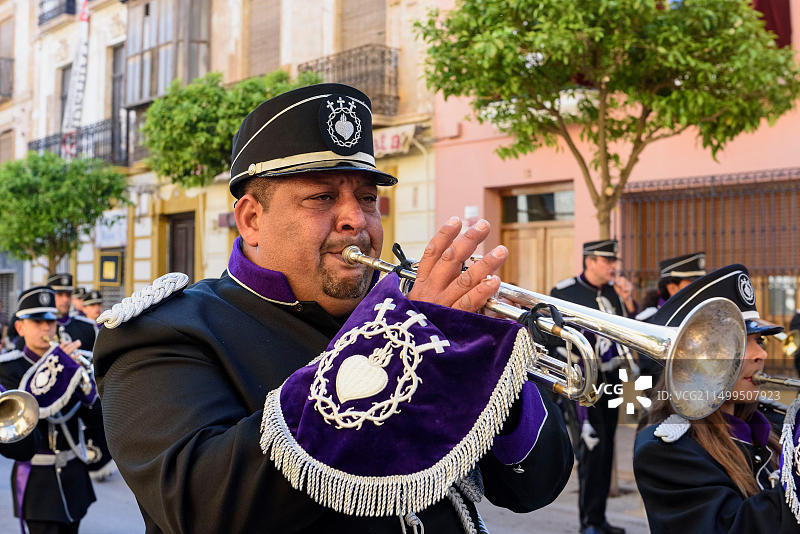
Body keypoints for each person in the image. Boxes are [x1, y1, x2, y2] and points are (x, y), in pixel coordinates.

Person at [93, 83, 573, 534]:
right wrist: (394, 341)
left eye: (368, 198)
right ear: (252, 219)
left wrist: (483, 356)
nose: (356, 219)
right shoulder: (163, 331)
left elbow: (534, 485)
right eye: (322, 197)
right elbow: (205, 508)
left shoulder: (407, 315)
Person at [634, 264, 800, 533]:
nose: (762, 355)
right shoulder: (665, 451)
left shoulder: (776, 423)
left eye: (761, 341)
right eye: (744, 341)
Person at [550, 239, 635, 534]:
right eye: (607, 261)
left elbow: (628, 331)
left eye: (614, 261)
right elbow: (552, 338)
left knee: (606, 450)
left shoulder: (613, 293)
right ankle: (588, 523)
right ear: (590, 261)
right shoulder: (565, 291)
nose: (613, 266)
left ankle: (599, 519)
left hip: (611, 382)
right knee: (591, 453)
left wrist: (629, 302)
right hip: (582, 385)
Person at [0, 286, 98, 534]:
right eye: (37, 321)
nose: (47, 328)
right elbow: (17, 445)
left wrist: (89, 391)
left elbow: (96, 422)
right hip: (37, 484)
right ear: (20, 327)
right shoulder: (8, 368)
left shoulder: (71, 361)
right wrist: (52, 372)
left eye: (51, 321)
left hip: (74, 478)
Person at [636, 252, 706, 379]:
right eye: (693, 284)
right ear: (672, 288)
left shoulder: (701, 316)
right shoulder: (649, 321)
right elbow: (651, 374)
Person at [46, 274, 96, 349]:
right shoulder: (41, 329)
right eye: (60, 295)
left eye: (68, 295)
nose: (65, 300)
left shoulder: (88, 328)